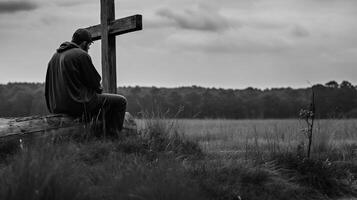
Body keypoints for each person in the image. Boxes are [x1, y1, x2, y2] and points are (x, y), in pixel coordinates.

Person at [45, 28, 127, 135]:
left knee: (102, 102)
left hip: (55, 106)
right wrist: (98, 89)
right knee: (120, 101)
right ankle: (112, 138)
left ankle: (95, 134)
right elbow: (95, 83)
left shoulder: (54, 57)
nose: (88, 47)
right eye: (89, 45)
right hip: (77, 104)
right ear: (84, 43)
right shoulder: (81, 54)